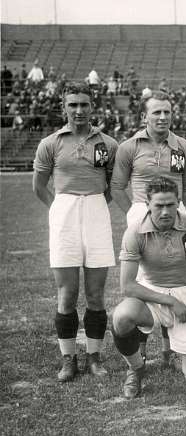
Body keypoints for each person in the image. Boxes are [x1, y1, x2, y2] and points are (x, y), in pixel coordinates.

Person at [111, 176, 186, 398]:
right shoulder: (135, 232)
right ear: (147, 205)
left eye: (170, 205)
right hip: (153, 294)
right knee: (122, 317)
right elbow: (127, 286)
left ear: (178, 203)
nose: (165, 212)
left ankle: (179, 350)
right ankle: (136, 368)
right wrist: (171, 301)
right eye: (159, 206)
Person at [32, 83, 119, 382]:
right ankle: (68, 359)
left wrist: (93, 204)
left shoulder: (108, 143)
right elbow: (39, 185)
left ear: (92, 107)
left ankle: (94, 357)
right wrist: (59, 210)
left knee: (96, 294)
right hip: (64, 213)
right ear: (64, 108)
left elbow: (112, 186)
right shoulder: (51, 143)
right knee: (67, 293)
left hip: (96, 210)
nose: (79, 111)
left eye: (84, 104)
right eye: (73, 105)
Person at [111, 90, 186, 363]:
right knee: (143, 280)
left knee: (175, 273)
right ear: (144, 116)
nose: (162, 117)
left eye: (167, 112)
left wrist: (176, 212)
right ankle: (143, 344)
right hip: (141, 212)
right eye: (156, 112)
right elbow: (116, 186)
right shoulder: (130, 147)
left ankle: (170, 348)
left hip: (175, 212)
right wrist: (136, 214)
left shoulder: (183, 146)